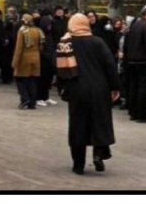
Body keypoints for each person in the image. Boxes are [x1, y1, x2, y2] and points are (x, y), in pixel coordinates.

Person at [57, 12, 120, 175]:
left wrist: (62, 89)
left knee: (78, 125)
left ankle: (78, 164)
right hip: (100, 89)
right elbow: (110, 65)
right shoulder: (98, 42)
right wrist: (115, 87)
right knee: (99, 121)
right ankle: (99, 154)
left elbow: (60, 69)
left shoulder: (66, 43)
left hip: (77, 89)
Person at [123, 4, 146, 123]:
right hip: (144, 61)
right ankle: (142, 114)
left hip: (132, 60)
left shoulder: (136, 25)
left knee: (134, 86)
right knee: (143, 88)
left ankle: (133, 112)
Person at [11, 13, 44, 109]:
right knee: (33, 80)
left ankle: (25, 98)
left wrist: (15, 62)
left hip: (24, 58)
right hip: (36, 57)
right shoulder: (38, 30)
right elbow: (42, 46)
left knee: (20, 79)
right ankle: (32, 102)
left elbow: (19, 48)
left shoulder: (22, 31)